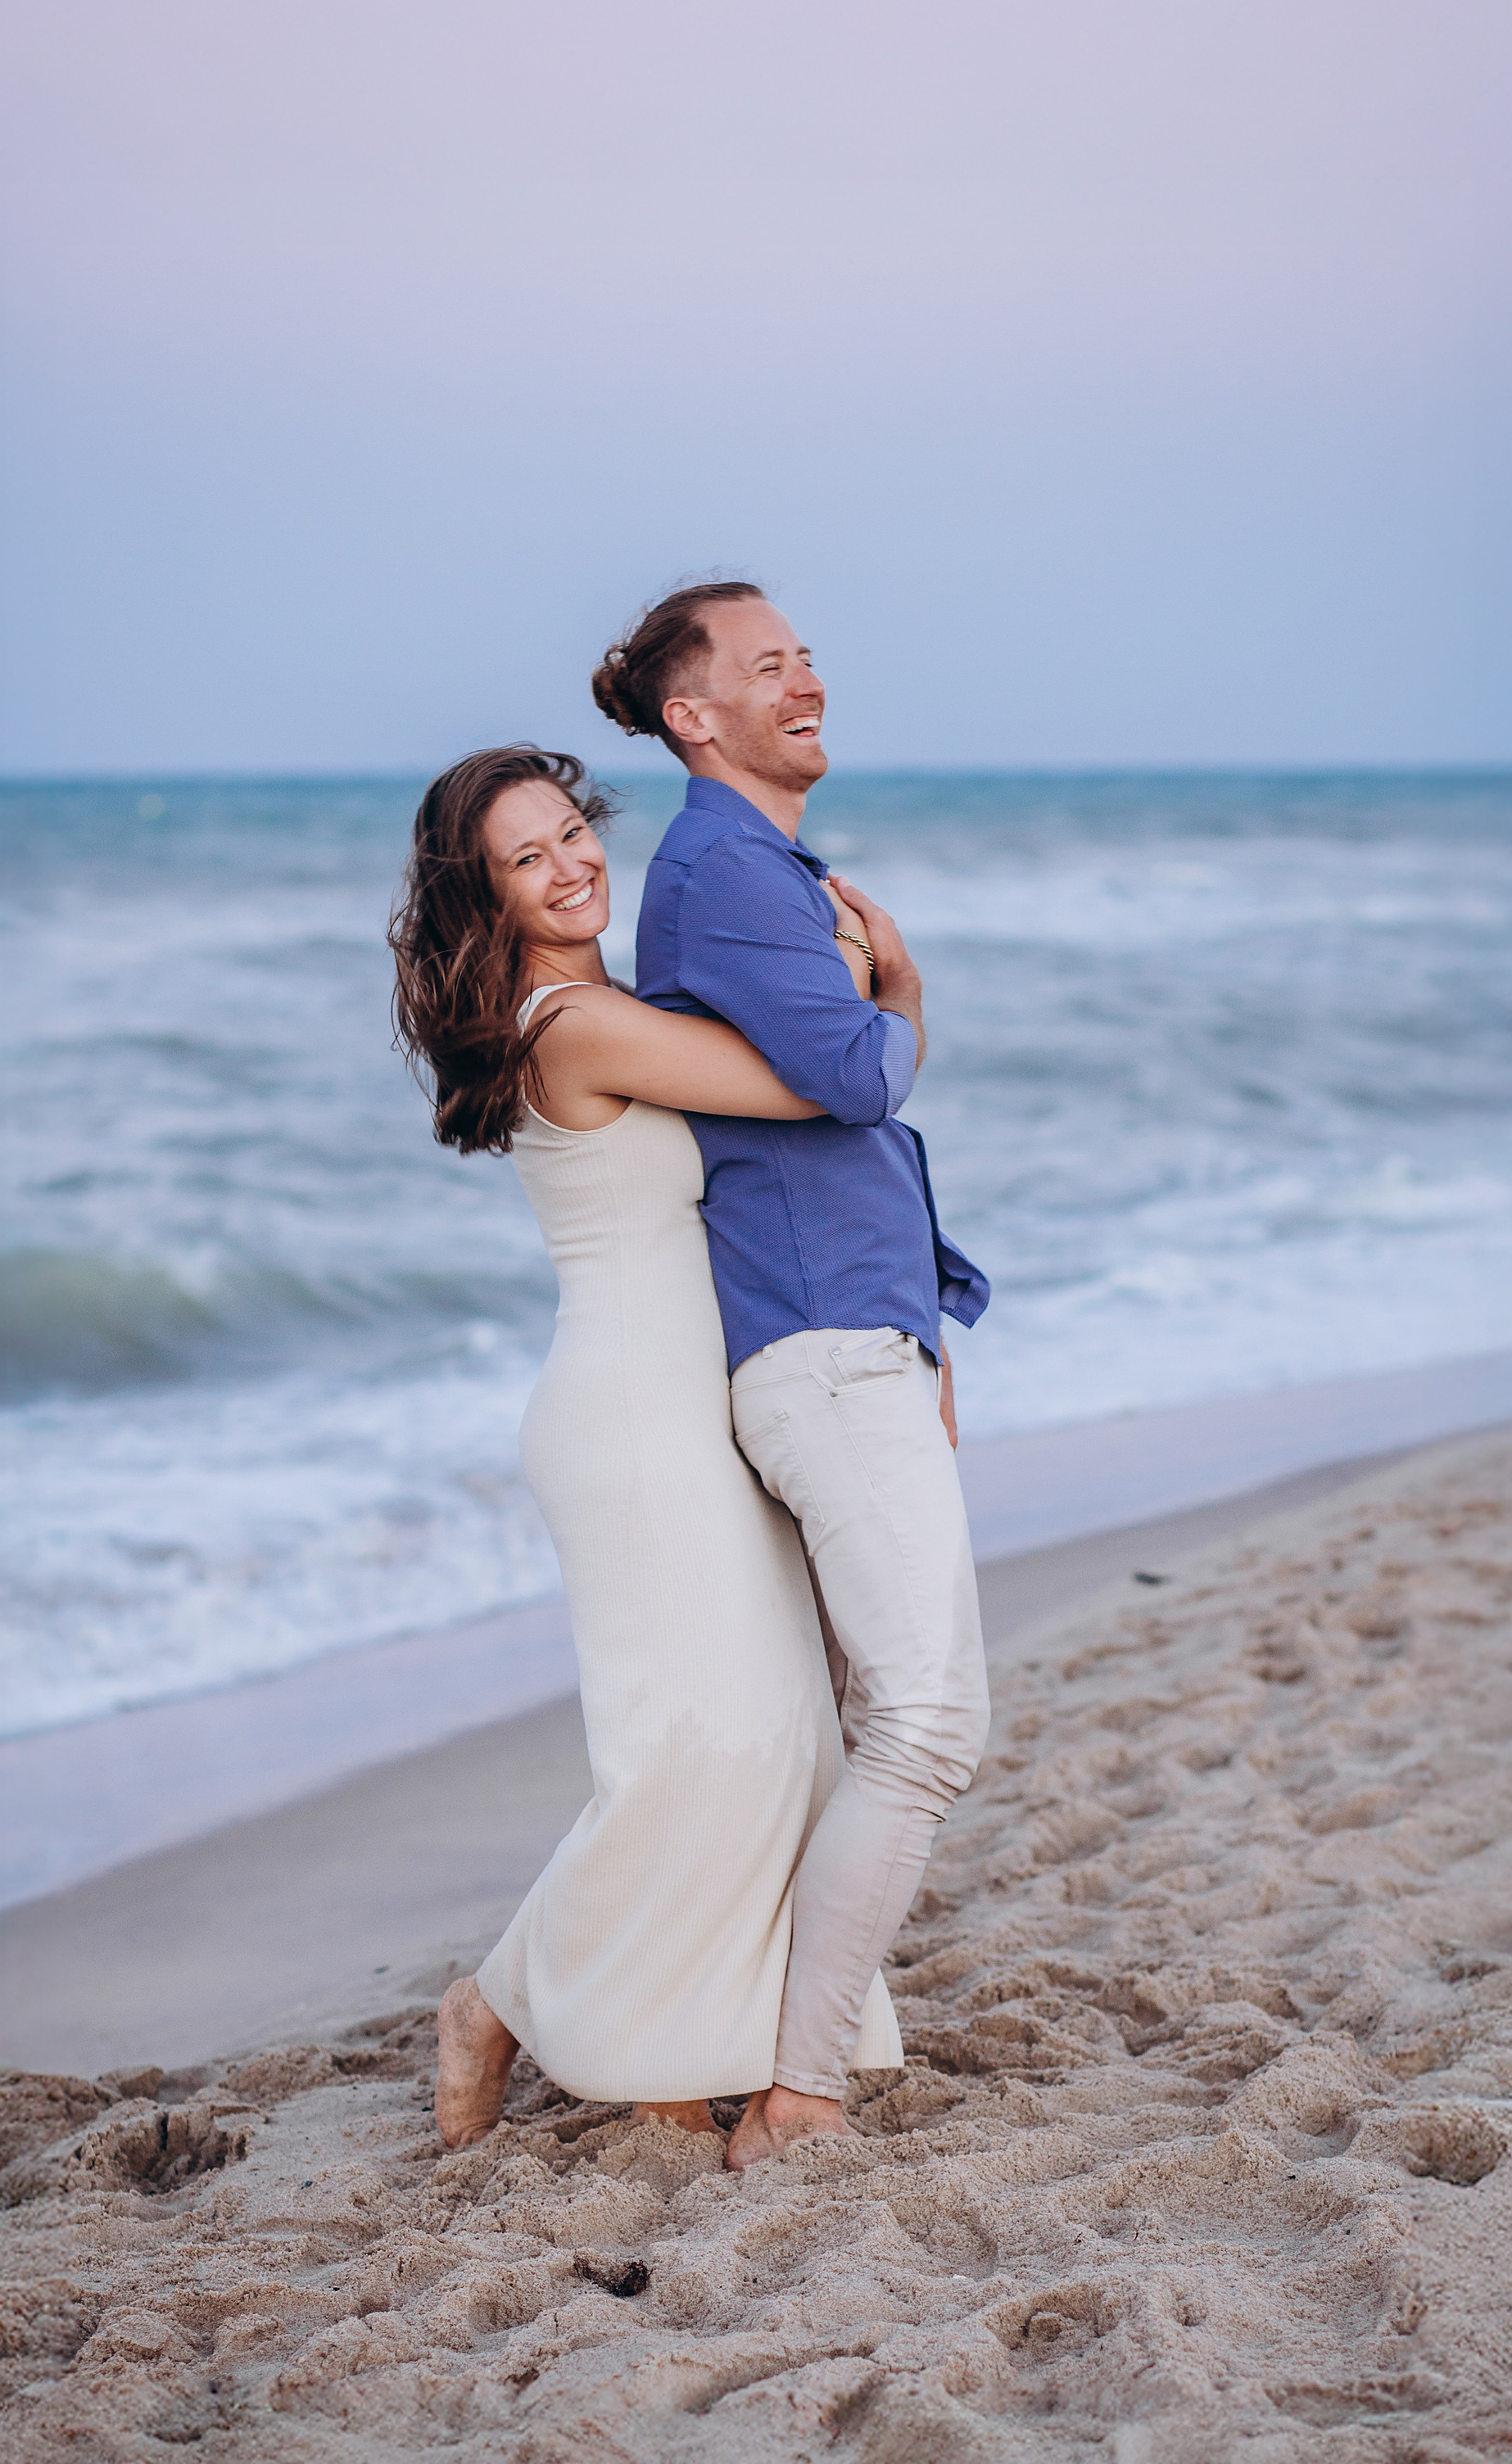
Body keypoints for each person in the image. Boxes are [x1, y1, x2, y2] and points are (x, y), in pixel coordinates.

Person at [389, 744, 903, 2148]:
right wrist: (878, 988)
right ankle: (492, 2005)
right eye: (529, 859)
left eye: (574, 834)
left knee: (766, 1733)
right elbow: (810, 1084)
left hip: (687, 1407)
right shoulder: (569, 1022)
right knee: (691, 1755)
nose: (572, 866)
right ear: (481, 897)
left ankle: (675, 2043)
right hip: (627, 1422)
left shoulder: (602, 999)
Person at [591, 581, 992, 2170]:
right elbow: (844, 1080)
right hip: (821, 1351)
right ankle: (799, 2089)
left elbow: (844, 1132)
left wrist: (922, 1326)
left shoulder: (754, 862)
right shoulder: (726, 868)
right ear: (695, 715)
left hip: (852, 1334)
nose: (804, 678)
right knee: (927, 1723)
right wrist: (903, 999)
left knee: (873, 1721)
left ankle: (736, 2044)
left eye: (805, 656)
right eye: (768, 664)